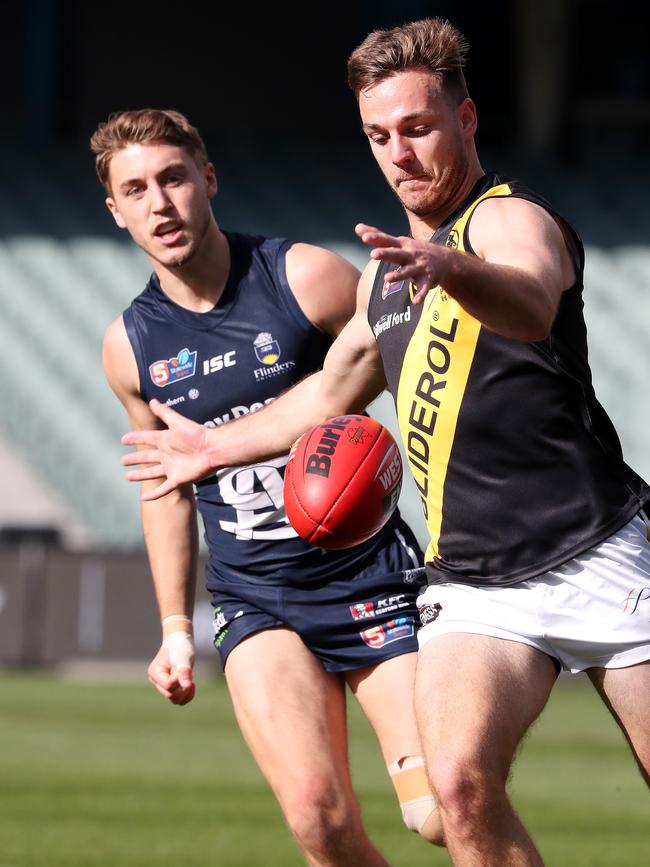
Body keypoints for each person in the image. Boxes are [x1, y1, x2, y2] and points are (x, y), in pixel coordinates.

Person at [118, 19, 650, 867]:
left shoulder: (509, 223)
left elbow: (532, 301)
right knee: (459, 789)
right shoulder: (383, 278)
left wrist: (453, 270)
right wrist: (211, 451)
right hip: (476, 580)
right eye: (378, 135)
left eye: (418, 127)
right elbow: (330, 391)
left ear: (467, 121)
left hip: (597, 551)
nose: (398, 152)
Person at [92, 108, 443, 866]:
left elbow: (401, 378)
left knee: (439, 809)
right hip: (257, 597)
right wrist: (174, 630)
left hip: (369, 574)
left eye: (174, 178)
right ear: (115, 212)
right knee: (318, 819)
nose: (160, 203)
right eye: (136, 189)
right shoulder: (130, 348)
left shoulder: (304, 277)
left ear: (207, 179)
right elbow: (163, 486)